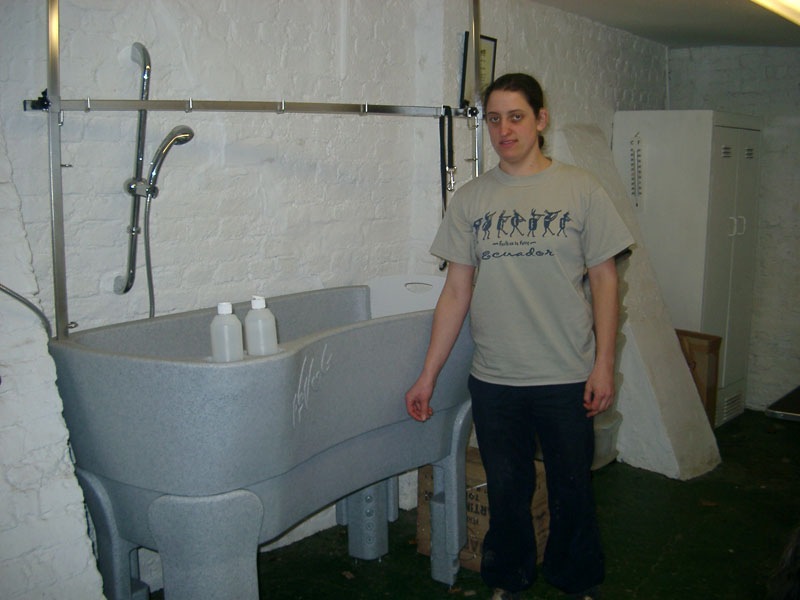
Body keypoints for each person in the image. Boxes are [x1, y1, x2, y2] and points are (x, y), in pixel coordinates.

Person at [405, 73, 633, 600]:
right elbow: (456, 292)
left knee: (573, 490)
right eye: (494, 119)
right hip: (496, 379)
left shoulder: (581, 189)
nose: (504, 130)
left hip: (567, 374)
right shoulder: (471, 200)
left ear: (540, 119)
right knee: (507, 491)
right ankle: (508, 580)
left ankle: (576, 580)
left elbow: (605, 280)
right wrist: (427, 375)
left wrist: (603, 364)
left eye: (516, 117)